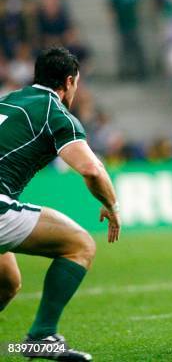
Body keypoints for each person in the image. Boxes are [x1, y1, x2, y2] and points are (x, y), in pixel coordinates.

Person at [0, 47, 121, 360]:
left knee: (7, 281)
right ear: (69, 81)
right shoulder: (55, 113)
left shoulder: (9, 100)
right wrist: (112, 205)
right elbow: (91, 169)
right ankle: (40, 337)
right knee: (80, 245)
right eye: (77, 83)